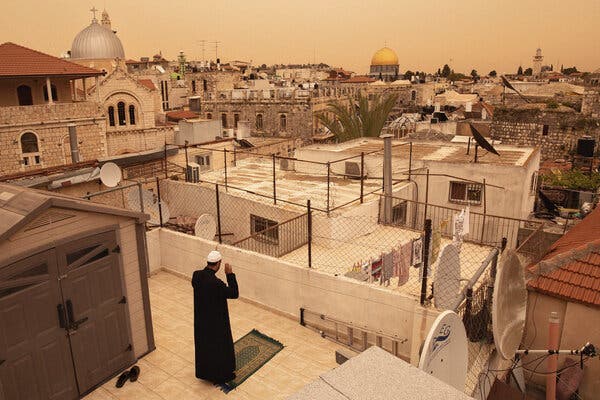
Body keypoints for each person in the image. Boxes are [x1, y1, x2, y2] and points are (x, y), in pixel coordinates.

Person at [192, 250, 239, 383]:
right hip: (216, 321)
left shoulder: (196, 275)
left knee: (205, 347)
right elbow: (234, 293)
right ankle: (221, 375)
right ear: (218, 264)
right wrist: (230, 275)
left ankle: (205, 373)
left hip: (201, 320)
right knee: (219, 347)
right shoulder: (216, 283)